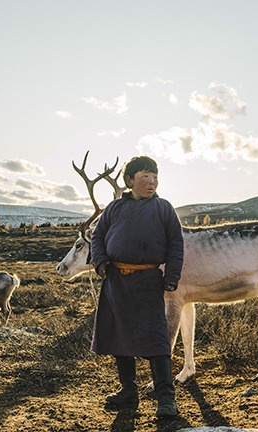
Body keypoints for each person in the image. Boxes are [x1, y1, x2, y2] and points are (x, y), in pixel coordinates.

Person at [90, 155, 184, 417]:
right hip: (116, 281)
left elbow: (176, 244)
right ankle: (128, 392)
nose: (152, 181)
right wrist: (100, 262)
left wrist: (171, 277)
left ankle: (166, 398)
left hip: (148, 282)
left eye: (155, 177)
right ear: (130, 180)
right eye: (145, 176)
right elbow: (97, 237)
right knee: (120, 336)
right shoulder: (114, 208)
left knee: (156, 339)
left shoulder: (164, 208)